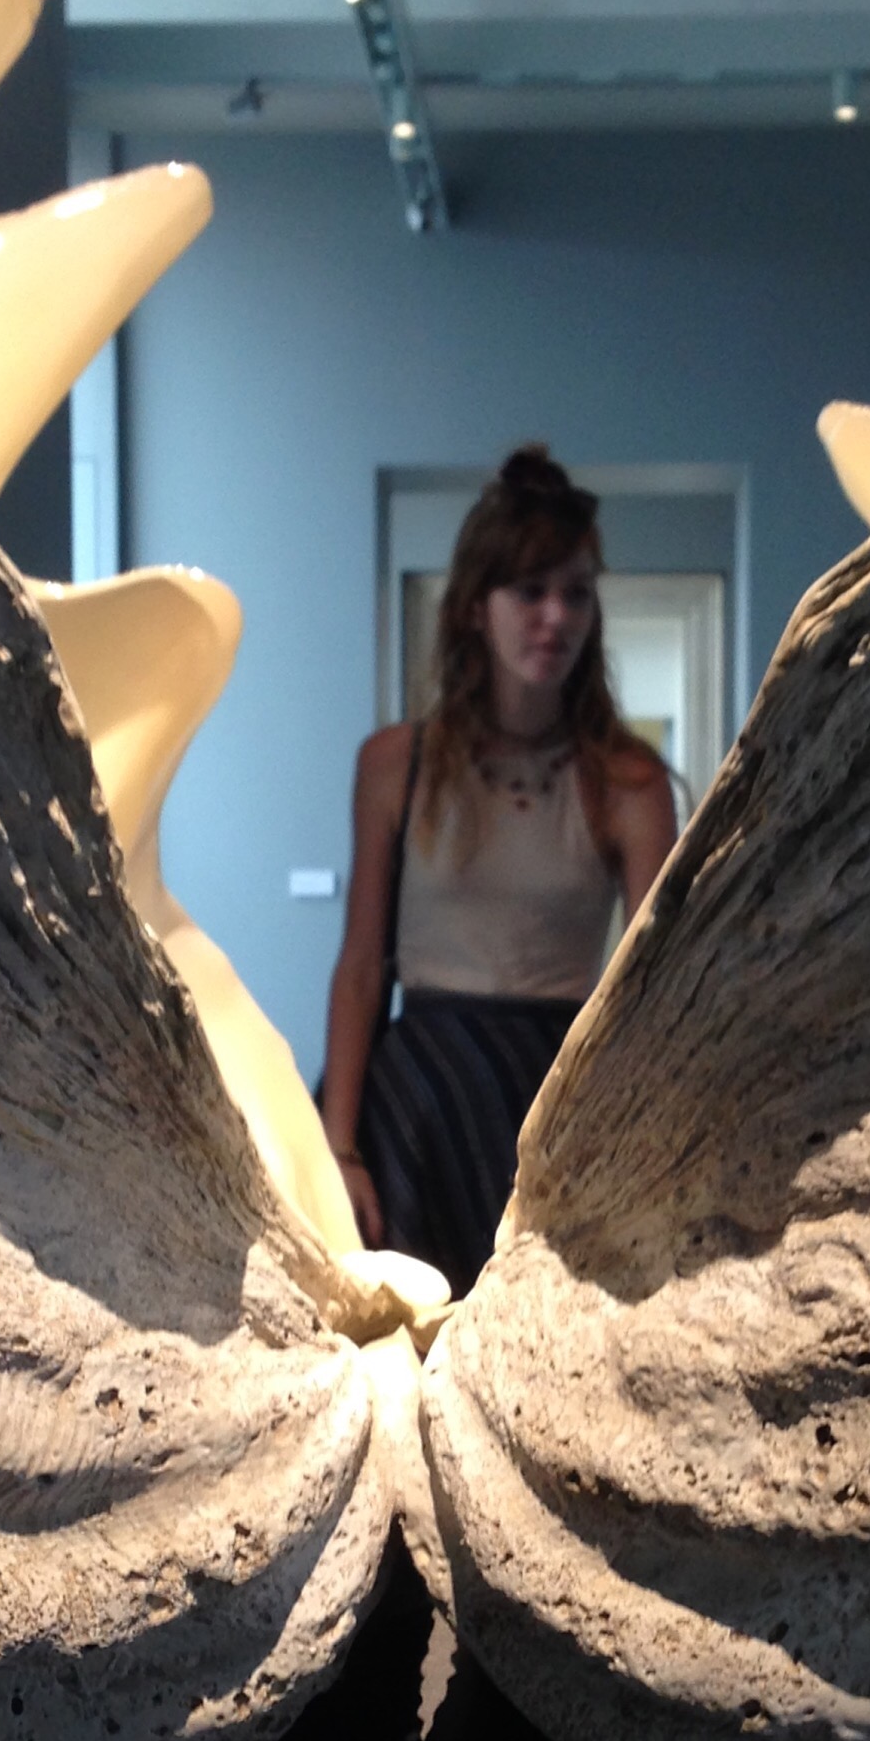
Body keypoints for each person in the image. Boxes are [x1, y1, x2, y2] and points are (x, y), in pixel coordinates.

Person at [320, 446, 679, 1295]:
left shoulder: (627, 781)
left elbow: (657, 993)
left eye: (576, 593)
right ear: (476, 607)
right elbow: (362, 969)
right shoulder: (393, 764)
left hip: (554, 1100)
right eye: (529, 591)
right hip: (415, 1104)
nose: (555, 616)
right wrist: (339, 1149)